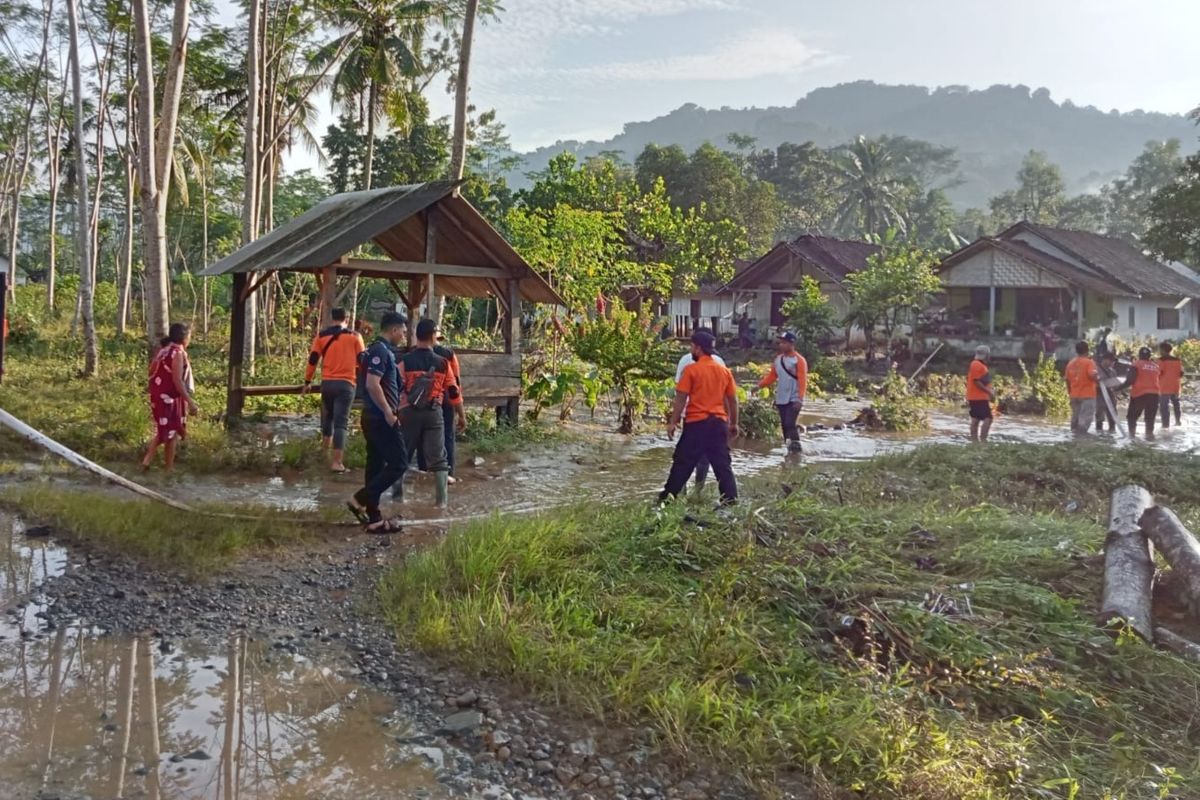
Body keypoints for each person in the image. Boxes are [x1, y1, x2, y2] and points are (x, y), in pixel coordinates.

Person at [659, 330, 739, 506]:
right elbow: (732, 400)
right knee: (722, 465)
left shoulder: (691, 370)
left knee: (682, 463)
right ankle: (731, 501)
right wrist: (733, 423)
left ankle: (666, 500)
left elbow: (681, 398)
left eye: (692, 347)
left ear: (698, 348)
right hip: (718, 423)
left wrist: (673, 422)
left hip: (696, 424)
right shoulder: (724, 371)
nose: (691, 350)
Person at [347, 312, 409, 533]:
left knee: (375, 465)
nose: (403, 336)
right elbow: (372, 384)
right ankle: (360, 498)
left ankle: (374, 518)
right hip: (380, 418)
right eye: (403, 332)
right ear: (394, 330)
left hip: (373, 417)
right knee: (399, 463)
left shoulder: (380, 350)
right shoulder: (380, 351)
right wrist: (388, 412)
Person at [397, 318, 463, 508]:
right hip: (434, 413)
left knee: (403, 454)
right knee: (438, 457)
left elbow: (395, 387)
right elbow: (453, 391)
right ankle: (441, 503)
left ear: (416, 336)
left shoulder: (405, 361)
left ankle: (397, 498)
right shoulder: (442, 362)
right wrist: (461, 414)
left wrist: (395, 411)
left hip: (409, 412)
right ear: (433, 336)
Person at [302, 307, 365, 474]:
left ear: (332, 318)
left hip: (327, 383)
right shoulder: (355, 336)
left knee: (328, 418)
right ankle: (337, 462)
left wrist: (307, 381)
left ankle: (324, 454)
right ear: (347, 319)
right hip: (346, 384)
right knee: (341, 423)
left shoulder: (322, 336)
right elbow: (363, 361)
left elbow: (313, 359)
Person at [411, 326, 467, 484]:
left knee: (422, 436)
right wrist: (461, 412)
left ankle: (424, 471)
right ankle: (448, 473)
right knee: (447, 436)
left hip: (420, 402)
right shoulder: (448, 354)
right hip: (445, 401)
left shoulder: (413, 354)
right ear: (434, 337)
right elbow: (455, 383)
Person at [142, 323, 198, 471]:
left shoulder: (164, 350)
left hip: (159, 395)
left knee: (166, 430)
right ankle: (165, 466)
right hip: (169, 397)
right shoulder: (177, 353)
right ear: (184, 338)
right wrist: (190, 402)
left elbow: (152, 372)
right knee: (169, 431)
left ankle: (151, 463)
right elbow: (177, 380)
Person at [674, 332, 726, 489]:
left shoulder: (685, 361)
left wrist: (674, 419)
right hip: (714, 416)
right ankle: (699, 488)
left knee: (684, 455)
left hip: (691, 415)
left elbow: (680, 392)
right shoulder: (719, 362)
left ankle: (679, 490)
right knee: (706, 457)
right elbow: (726, 394)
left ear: (697, 346)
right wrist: (730, 420)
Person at [757, 331, 808, 453]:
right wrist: (759, 386)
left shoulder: (799, 360)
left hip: (794, 398)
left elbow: (802, 380)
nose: (781, 345)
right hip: (781, 398)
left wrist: (800, 399)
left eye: (784, 343)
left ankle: (797, 449)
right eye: (780, 343)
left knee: (790, 423)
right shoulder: (778, 359)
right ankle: (789, 449)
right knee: (784, 425)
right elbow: (772, 376)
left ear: (791, 344)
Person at [1123, 346, 1161, 438]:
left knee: (1132, 417)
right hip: (1155, 395)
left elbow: (1130, 380)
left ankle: (1132, 436)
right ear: (1149, 356)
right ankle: (1149, 436)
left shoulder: (1136, 364)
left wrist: (1117, 388)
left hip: (1139, 394)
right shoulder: (1156, 366)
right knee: (1150, 419)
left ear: (1139, 355)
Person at [1063, 341, 1098, 434]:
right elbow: (1092, 375)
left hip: (1074, 395)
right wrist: (1098, 378)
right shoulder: (1089, 362)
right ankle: (1081, 439)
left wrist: (1070, 393)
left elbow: (1067, 380)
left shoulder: (1070, 363)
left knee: (1075, 418)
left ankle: (1073, 437)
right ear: (1087, 350)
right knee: (1084, 421)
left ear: (1076, 351)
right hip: (1087, 396)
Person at [966, 345, 996, 442]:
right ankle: (983, 440)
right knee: (988, 418)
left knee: (976, 418)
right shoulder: (976, 364)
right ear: (987, 355)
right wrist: (989, 392)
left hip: (977, 396)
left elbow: (982, 381)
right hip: (978, 397)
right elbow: (976, 381)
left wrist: (990, 392)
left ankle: (975, 441)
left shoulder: (979, 365)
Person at [1158, 341, 1184, 428]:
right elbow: (1181, 373)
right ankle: (1178, 422)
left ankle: (1165, 425)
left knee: (1164, 406)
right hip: (1175, 386)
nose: (1159, 351)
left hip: (1164, 386)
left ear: (1162, 350)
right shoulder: (1178, 360)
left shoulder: (1161, 360)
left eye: (1160, 349)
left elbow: (1159, 372)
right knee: (1176, 404)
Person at [1094, 352, 1121, 434]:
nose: (1112, 363)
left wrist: (1117, 387)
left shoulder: (1113, 371)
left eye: (1113, 361)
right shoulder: (1096, 369)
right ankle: (1099, 432)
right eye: (1111, 361)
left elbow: (1115, 385)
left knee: (1113, 416)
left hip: (1110, 395)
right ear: (1105, 360)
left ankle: (1112, 432)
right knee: (1099, 416)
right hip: (1099, 394)